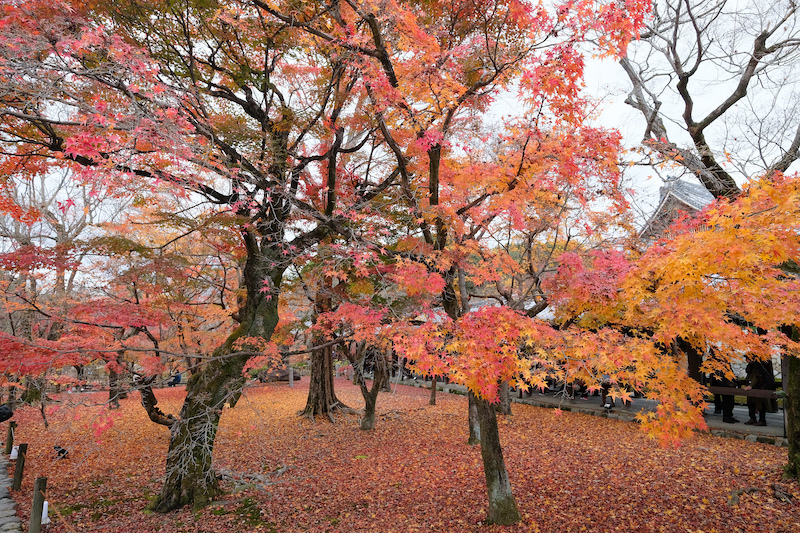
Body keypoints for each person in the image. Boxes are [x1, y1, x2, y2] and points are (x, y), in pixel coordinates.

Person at [744, 360, 769, 426]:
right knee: (750, 403)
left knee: (760, 405)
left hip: (758, 387)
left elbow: (756, 377)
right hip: (753, 387)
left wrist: (751, 385)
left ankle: (762, 420)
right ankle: (752, 418)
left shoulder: (757, 367)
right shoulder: (751, 366)